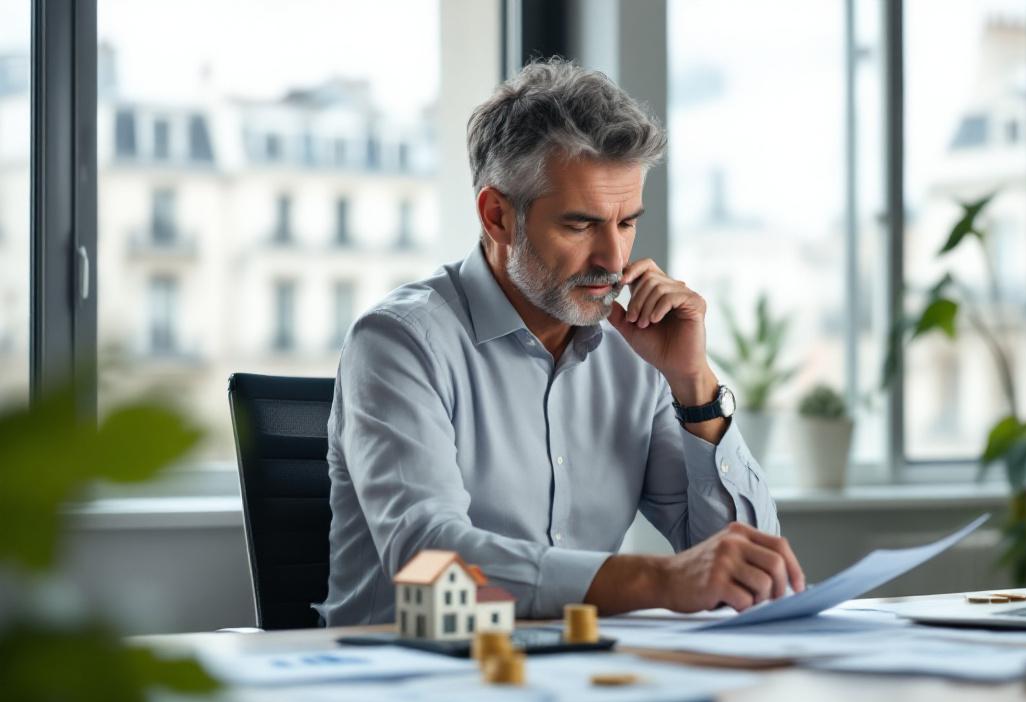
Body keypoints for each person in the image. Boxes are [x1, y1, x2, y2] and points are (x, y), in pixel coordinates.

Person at [317, 59, 803, 625]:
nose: (614, 261)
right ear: (497, 216)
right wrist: (658, 578)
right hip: (410, 679)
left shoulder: (637, 349)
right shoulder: (400, 343)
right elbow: (429, 559)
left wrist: (693, 385)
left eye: (626, 224)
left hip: (578, 674)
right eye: (580, 225)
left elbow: (750, 568)